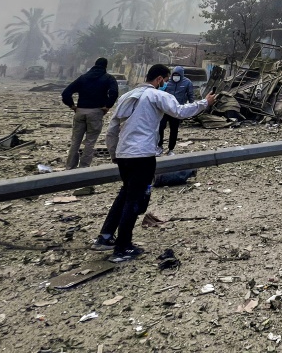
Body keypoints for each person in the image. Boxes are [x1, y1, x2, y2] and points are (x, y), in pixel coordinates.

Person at [92, 64, 214, 261]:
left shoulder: (126, 96)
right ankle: (123, 247)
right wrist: (205, 103)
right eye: (165, 81)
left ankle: (105, 237)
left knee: (125, 194)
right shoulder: (157, 95)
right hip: (142, 155)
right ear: (159, 79)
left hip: (124, 155)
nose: (165, 84)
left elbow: (112, 128)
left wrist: (114, 153)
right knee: (134, 199)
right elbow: (180, 111)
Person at [61, 58, 119, 169]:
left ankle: (70, 167)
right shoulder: (108, 78)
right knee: (90, 141)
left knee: (75, 141)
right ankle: (84, 167)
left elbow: (66, 93)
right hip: (96, 112)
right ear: (106, 66)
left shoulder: (83, 78)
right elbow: (114, 92)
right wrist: (107, 106)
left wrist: (72, 106)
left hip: (80, 111)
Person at [159, 66, 194, 155]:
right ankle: (159, 146)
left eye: (177, 75)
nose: (175, 76)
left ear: (181, 75)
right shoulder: (167, 82)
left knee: (174, 129)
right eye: (174, 75)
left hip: (177, 109)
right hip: (165, 109)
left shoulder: (187, 83)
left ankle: (171, 149)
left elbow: (191, 96)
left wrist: (191, 108)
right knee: (160, 127)